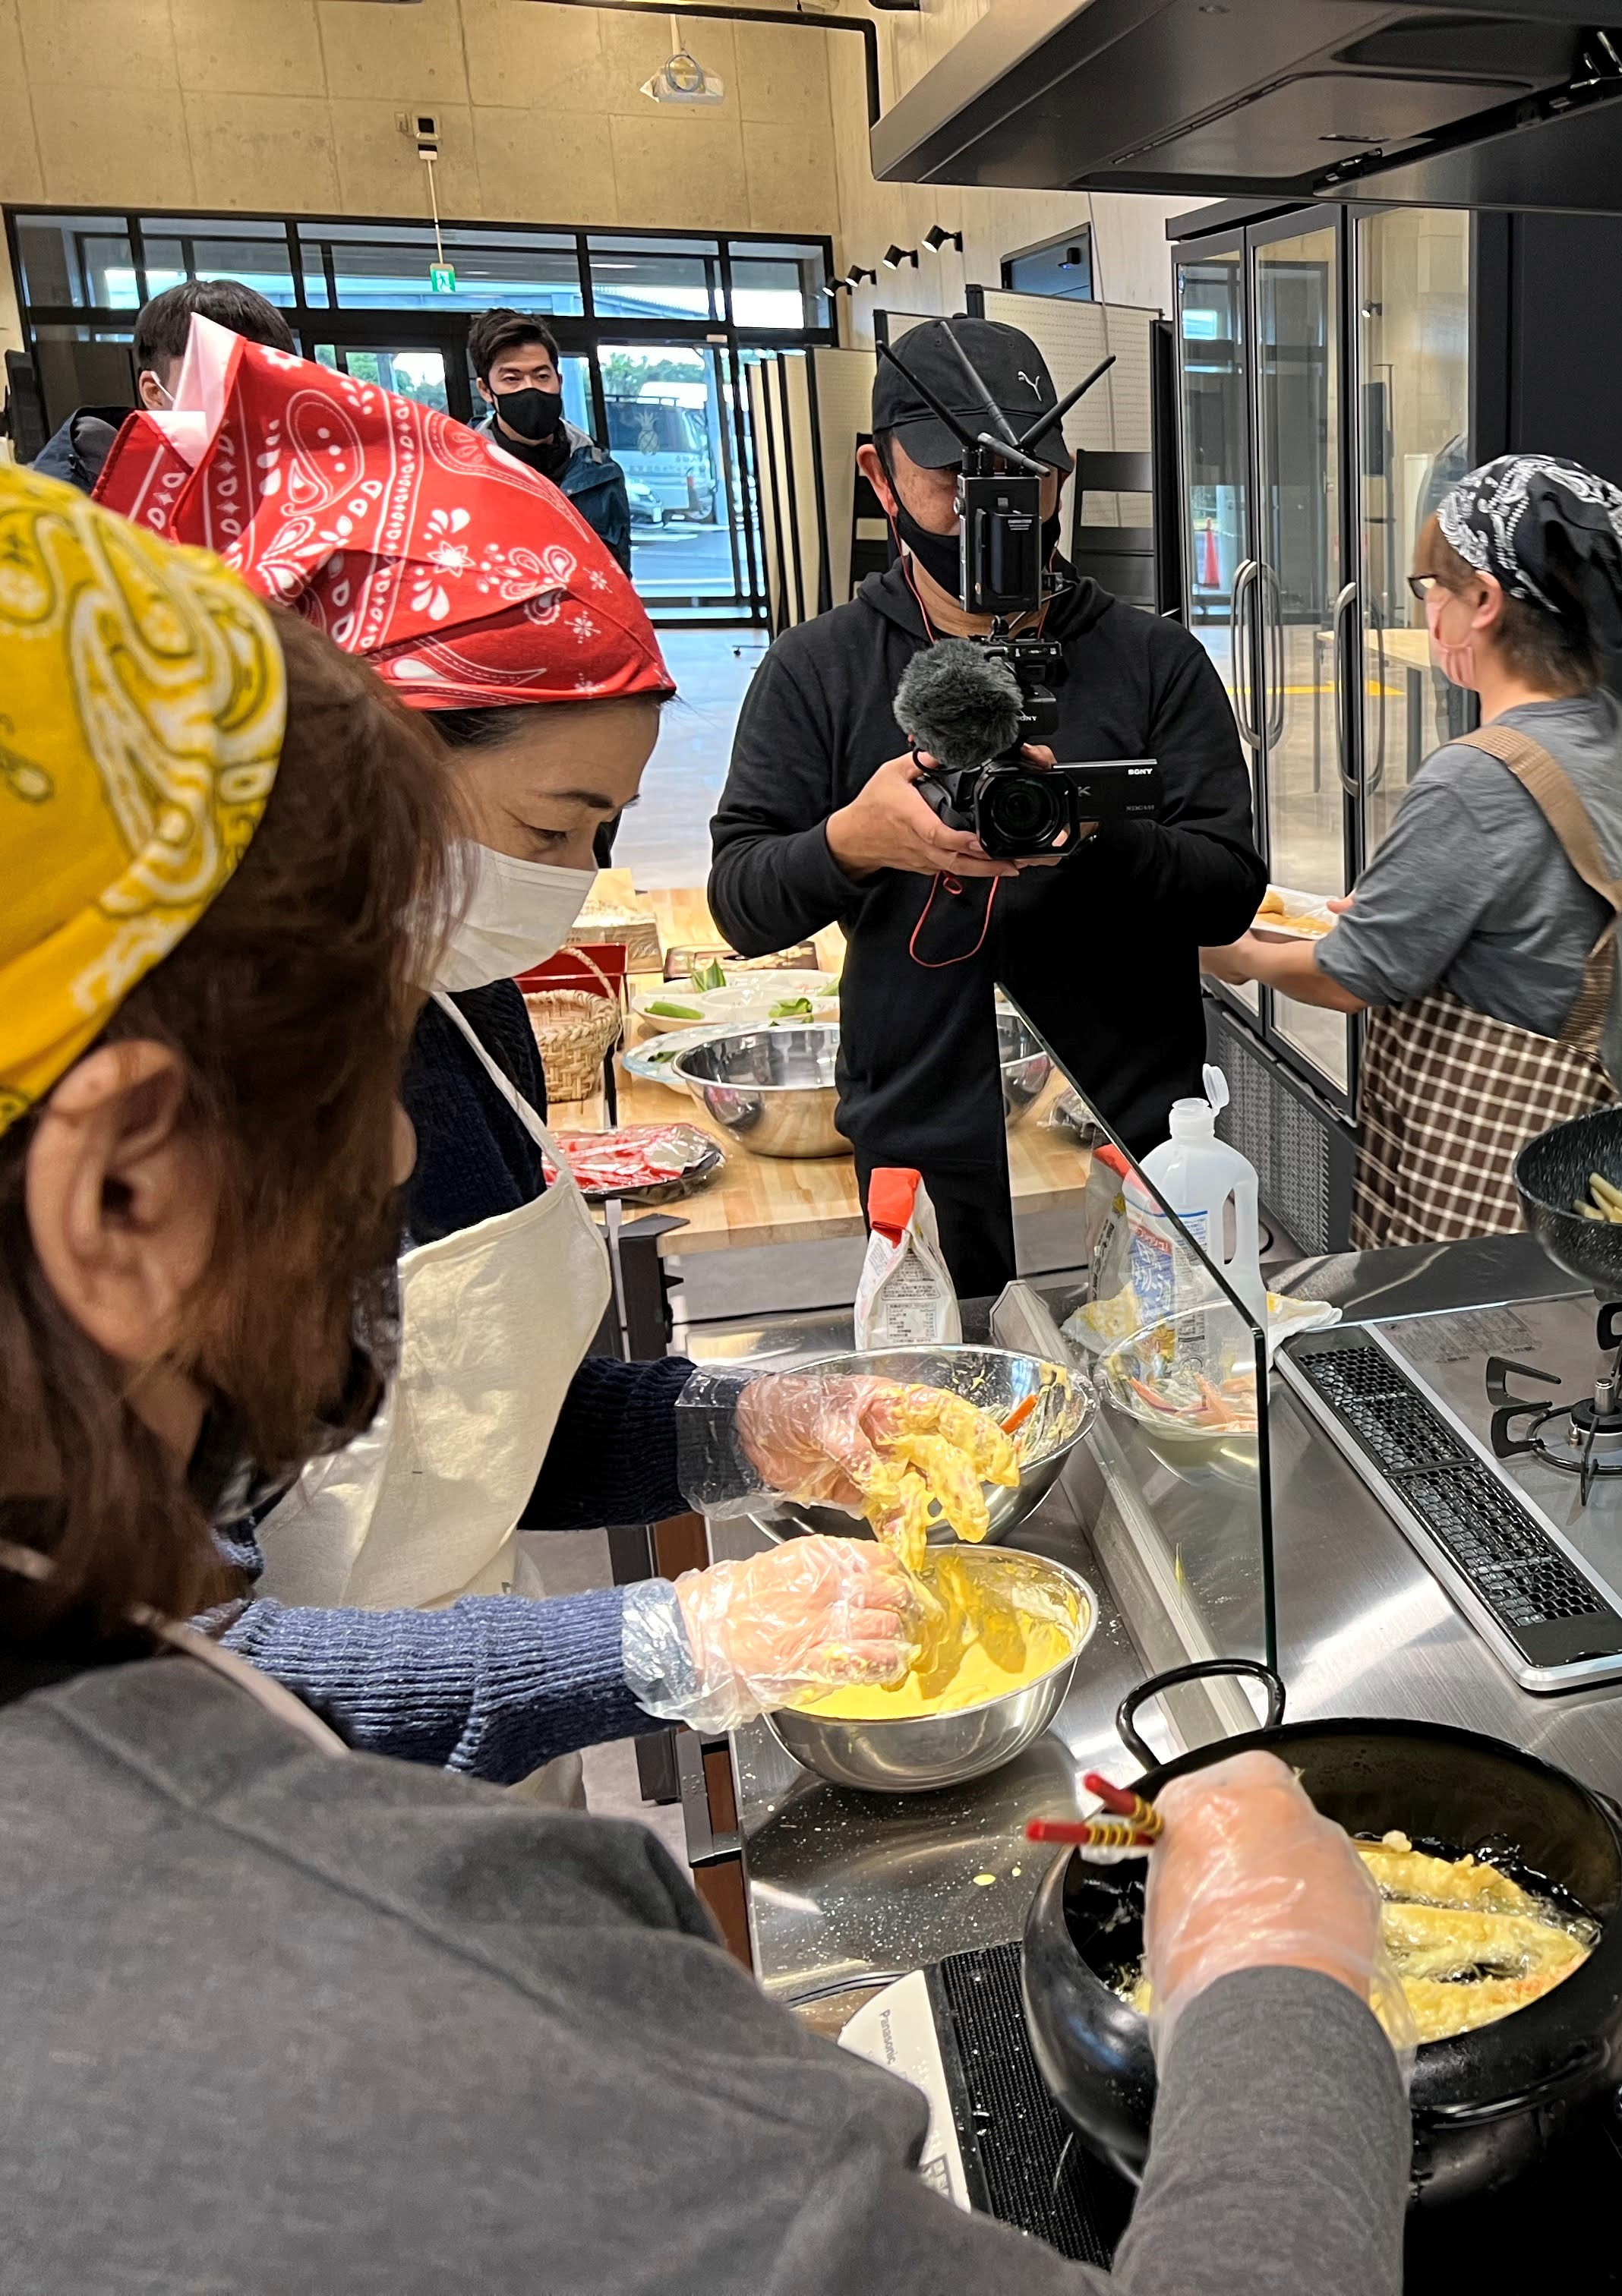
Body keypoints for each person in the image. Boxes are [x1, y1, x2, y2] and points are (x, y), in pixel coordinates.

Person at [0, 464, 1412, 2288]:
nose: (388, 1175)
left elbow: (465, 1425)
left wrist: (750, 1419)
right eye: (355, 1089)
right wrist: (1286, 1989)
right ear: (122, 1196)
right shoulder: (378, 2008)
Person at [88, 319, 978, 1790]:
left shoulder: (461, 997)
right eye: (553, 830)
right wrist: (669, 1640)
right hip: (302, 1832)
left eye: (605, 833)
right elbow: (184, 1671)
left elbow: (492, 1429)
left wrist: (757, 1424)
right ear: (357, 761)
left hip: (493, 1748)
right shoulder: (172, 1137)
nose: (573, 882)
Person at [711, 316, 1261, 1298]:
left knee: (1157, 1397)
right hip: (915, 1133)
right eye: (951, 481)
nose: (988, 511)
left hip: (1126, 1131)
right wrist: (857, 841)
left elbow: (1227, 895)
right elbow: (743, 903)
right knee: (944, 1422)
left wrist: (1095, 832)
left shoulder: (1150, 659)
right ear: (879, 476)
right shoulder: (820, 666)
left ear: (1062, 475)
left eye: (1020, 479)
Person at [1206, 453, 1622, 1246]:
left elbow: (1349, 977)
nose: (1427, 613)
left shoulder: (1477, 777)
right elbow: (1536, 921)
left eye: (1430, 590)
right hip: (1599, 1141)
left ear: (1482, 601)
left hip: (1491, 1176)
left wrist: (1230, 952)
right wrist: (1397, 913)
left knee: (1467, 1356)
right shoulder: (1617, 731)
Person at [27, 276, 295, 492]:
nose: (243, 401)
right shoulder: (67, 503)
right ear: (154, 393)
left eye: (266, 382)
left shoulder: (295, 474)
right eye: (220, 379)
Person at [466, 305, 635, 576]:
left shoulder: (601, 472)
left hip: (582, 616)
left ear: (559, 380)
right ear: (486, 390)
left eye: (542, 376)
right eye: (512, 379)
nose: (530, 388)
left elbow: (618, 573)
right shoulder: (460, 475)